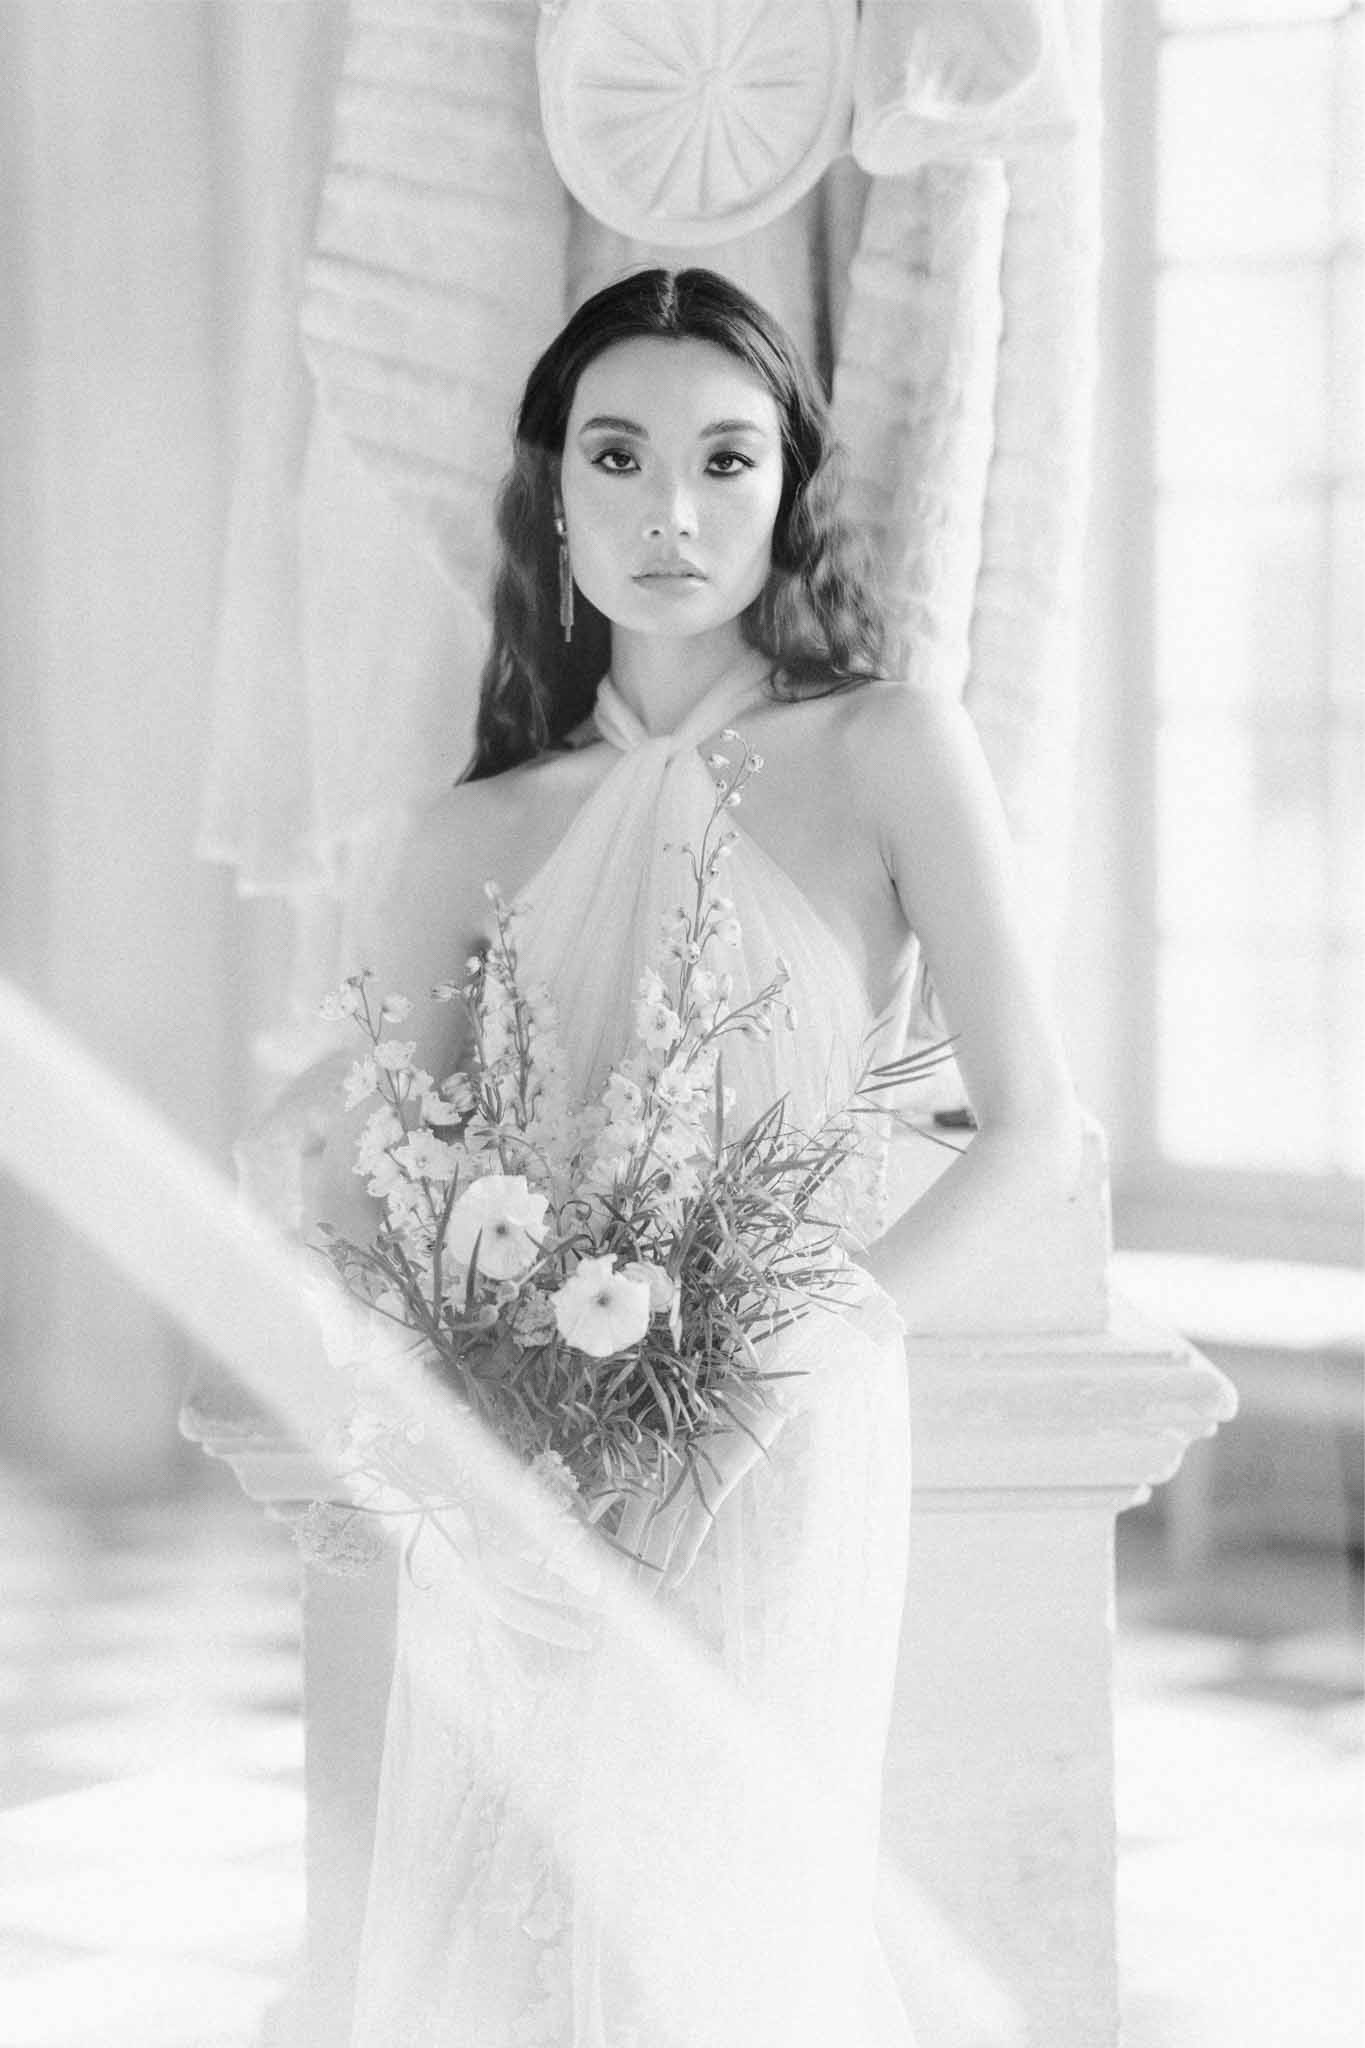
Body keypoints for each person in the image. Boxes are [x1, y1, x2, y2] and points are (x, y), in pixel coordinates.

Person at [309, 266, 1082, 2048]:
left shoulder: (887, 749)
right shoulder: (467, 834)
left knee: (735, 1923)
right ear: (549, 493)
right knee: (511, 1931)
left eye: (726, 462)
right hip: (522, 1484)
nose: (671, 510)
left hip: (785, 1448)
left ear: (786, 494)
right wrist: (469, 1459)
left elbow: (1033, 1134)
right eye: (620, 455)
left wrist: (763, 1393)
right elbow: (388, 1191)